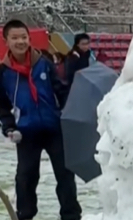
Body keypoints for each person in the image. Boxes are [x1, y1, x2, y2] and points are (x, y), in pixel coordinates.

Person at [0, 20, 81, 220]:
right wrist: (9, 127)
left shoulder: (43, 63)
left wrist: (69, 110)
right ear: (6, 41)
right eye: (15, 38)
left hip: (54, 128)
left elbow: (60, 90)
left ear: (29, 38)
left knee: (65, 176)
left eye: (24, 37)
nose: (21, 41)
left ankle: (71, 216)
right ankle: (25, 216)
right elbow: (2, 106)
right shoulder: (3, 72)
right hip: (26, 132)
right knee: (26, 178)